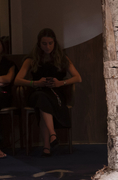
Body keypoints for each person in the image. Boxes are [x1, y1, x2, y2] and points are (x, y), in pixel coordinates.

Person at [14, 28, 81, 157]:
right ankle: (52, 134)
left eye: (50, 43)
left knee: (43, 103)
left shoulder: (62, 58)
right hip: (37, 91)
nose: (48, 46)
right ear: (39, 44)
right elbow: (17, 80)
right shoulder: (31, 59)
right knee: (41, 97)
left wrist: (61, 83)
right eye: (44, 43)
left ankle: (47, 145)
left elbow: (78, 77)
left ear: (55, 43)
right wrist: (35, 83)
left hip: (56, 93)